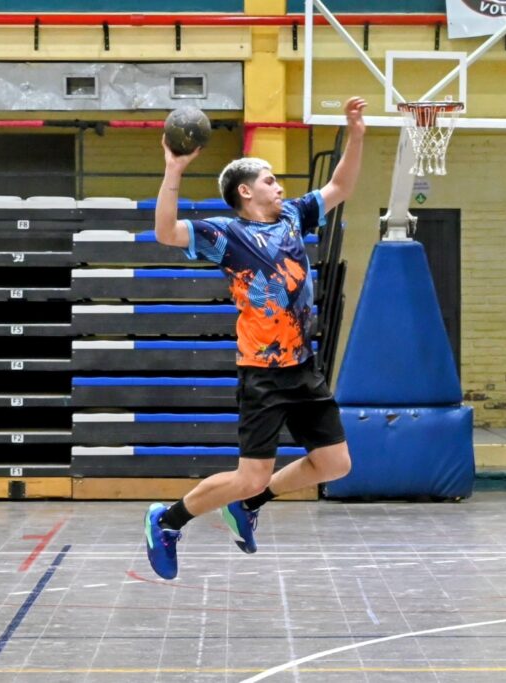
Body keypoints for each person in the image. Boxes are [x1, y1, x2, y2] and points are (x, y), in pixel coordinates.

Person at [143, 97, 366, 579]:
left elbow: (341, 186)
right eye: (269, 180)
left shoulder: (293, 218)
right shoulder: (226, 234)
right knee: (250, 475)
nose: (279, 186)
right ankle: (168, 520)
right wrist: (174, 169)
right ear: (245, 191)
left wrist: (356, 134)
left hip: (303, 367)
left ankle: (248, 506)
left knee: (334, 463)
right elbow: (165, 231)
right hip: (262, 373)